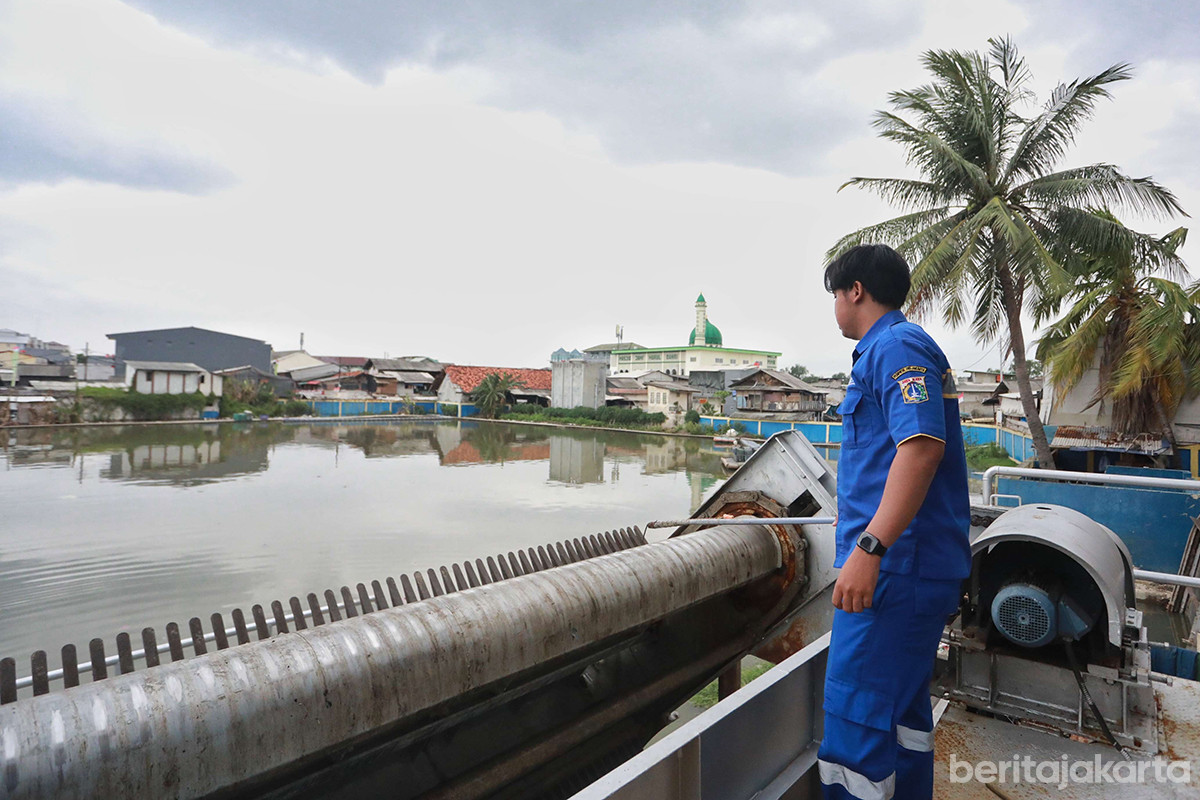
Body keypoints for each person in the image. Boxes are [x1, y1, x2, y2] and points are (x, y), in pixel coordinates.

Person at [816, 244, 971, 800]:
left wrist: (869, 550)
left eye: (835, 293)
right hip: (908, 569)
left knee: (855, 722)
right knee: (901, 716)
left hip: (896, 571)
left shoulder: (896, 347)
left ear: (855, 290)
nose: (834, 306)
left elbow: (922, 447)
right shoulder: (889, 350)